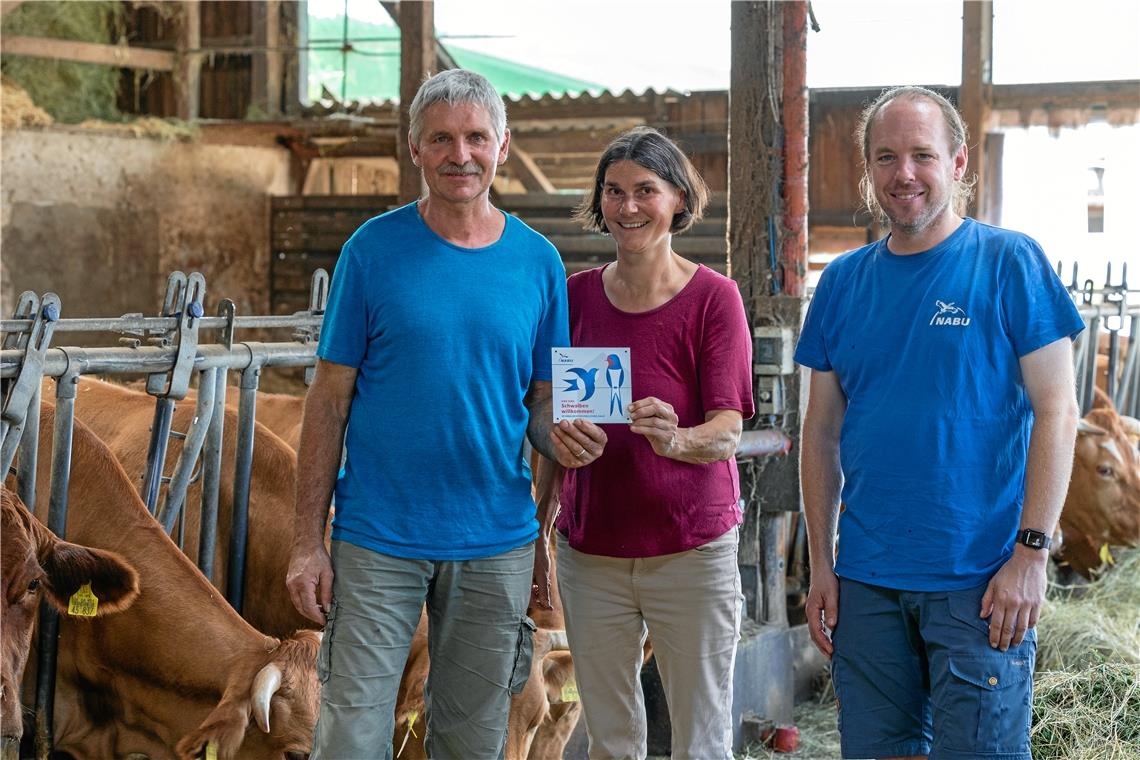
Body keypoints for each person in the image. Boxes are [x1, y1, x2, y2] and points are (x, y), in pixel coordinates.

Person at [285, 69, 605, 760]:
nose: (460, 155)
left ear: (503, 147)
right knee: (350, 731)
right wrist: (308, 541)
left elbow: (544, 401)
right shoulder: (371, 251)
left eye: (475, 138)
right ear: (415, 149)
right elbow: (329, 397)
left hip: (495, 541)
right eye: (442, 140)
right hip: (376, 535)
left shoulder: (538, 262)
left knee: (472, 739)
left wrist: (567, 436)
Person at [796, 86, 1084, 760]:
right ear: (868, 170)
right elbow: (820, 434)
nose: (904, 174)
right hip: (867, 579)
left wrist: (1031, 554)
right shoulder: (842, 282)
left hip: (981, 582)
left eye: (922, 155)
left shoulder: (1011, 263)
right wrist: (820, 565)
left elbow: (1058, 410)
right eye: (886, 156)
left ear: (957, 163)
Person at [533, 126, 755, 760]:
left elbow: (728, 430)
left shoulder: (715, 299)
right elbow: (548, 408)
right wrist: (543, 523)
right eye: (614, 191)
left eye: (645, 191)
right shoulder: (573, 296)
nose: (628, 207)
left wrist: (677, 438)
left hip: (691, 553)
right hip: (591, 554)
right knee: (609, 738)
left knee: (701, 739)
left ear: (679, 200)